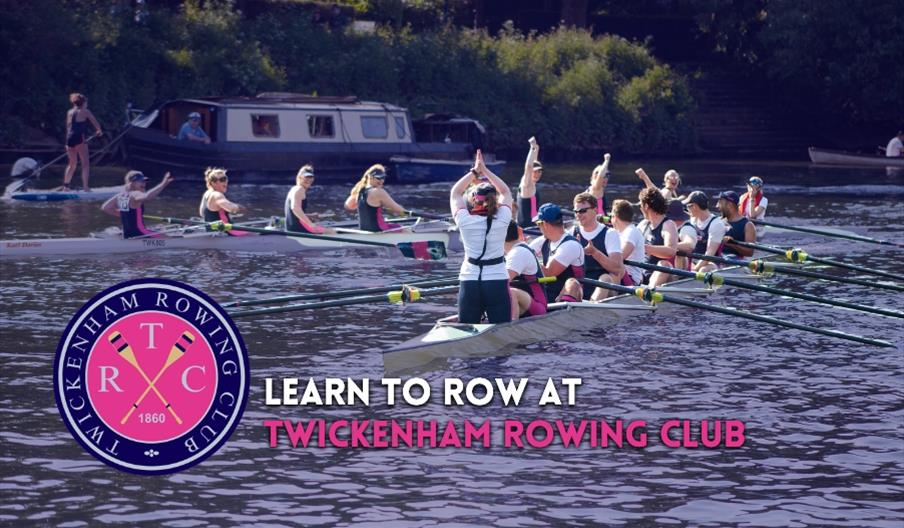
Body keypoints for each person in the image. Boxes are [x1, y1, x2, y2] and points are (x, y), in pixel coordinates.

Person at [450, 150, 513, 324]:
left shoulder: (464, 220)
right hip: (496, 281)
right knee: (501, 332)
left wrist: (475, 172)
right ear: (495, 200)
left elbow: (455, 193)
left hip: (469, 281)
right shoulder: (503, 217)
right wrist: (486, 171)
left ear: (473, 201)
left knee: (466, 330)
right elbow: (506, 192)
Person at [571, 192, 623, 300]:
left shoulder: (610, 234)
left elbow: (617, 269)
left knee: (605, 278)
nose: (578, 215)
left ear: (595, 210)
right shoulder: (572, 232)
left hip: (605, 288)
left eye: (582, 211)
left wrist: (595, 253)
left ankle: (591, 308)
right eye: (575, 211)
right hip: (580, 284)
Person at [528, 203, 585, 303]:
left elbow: (548, 273)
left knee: (571, 283)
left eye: (538, 224)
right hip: (549, 294)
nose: (538, 228)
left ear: (545, 224)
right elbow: (524, 254)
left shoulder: (570, 245)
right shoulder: (543, 240)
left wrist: (526, 258)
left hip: (569, 297)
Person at [101, 170, 173, 239]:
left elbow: (106, 208)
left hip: (127, 234)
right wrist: (163, 184)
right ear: (132, 183)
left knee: (157, 231)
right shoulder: (135, 194)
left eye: (144, 181)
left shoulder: (120, 196)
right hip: (140, 233)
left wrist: (126, 215)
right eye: (141, 181)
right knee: (168, 239)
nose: (144, 184)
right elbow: (147, 197)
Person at [344, 164, 407, 232]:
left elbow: (348, 206)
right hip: (379, 230)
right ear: (370, 177)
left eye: (383, 177)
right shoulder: (378, 192)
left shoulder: (359, 191)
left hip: (364, 230)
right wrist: (412, 215)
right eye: (379, 177)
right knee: (407, 230)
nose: (382, 180)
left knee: (394, 226)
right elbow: (400, 211)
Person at [504, 222, 547, 320]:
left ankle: (511, 327)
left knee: (510, 291)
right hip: (523, 305)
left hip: (536, 308)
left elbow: (501, 282)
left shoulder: (518, 252)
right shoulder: (511, 252)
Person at [637, 187, 678, 287]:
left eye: (640, 205)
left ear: (646, 206)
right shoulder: (643, 224)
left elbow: (671, 251)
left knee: (664, 264)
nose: (640, 208)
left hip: (661, 275)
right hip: (641, 272)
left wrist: (644, 247)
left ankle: (648, 295)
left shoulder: (668, 225)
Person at [63, 93, 102, 191]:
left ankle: (66, 187)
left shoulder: (69, 112)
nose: (87, 104)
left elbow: (68, 126)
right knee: (85, 164)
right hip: (79, 139)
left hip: (69, 139)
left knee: (72, 164)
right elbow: (96, 124)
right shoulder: (85, 111)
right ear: (83, 103)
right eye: (86, 102)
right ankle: (85, 187)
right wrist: (99, 131)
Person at [683, 191, 727, 272]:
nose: (687, 209)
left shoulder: (716, 224)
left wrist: (694, 270)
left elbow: (710, 254)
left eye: (688, 207)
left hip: (711, 262)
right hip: (693, 259)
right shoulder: (692, 220)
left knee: (703, 270)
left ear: (695, 206)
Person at [199, 168, 250, 236]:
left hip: (212, 232)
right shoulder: (217, 195)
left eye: (226, 178)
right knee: (254, 235)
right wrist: (240, 207)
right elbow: (231, 209)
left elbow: (202, 214)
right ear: (213, 183)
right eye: (222, 180)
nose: (225, 182)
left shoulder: (207, 193)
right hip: (223, 233)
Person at [285, 165, 334, 234]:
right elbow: (295, 208)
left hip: (292, 227)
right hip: (299, 229)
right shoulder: (299, 189)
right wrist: (310, 224)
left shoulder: (294, 189)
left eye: (310, 177)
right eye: (306, 177)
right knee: (332, 232)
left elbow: (294, 213)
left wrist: (310, 215)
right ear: (299, 177)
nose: (308, 179)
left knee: (328, 229)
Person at [609, 199, 646, 286]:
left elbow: (619, 258)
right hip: (620, 275)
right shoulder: (619, 233)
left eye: (611, 215)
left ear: (615, 217)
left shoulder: (631, 232)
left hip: (630, 279)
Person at [717, 190, 757, 257]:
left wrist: (733, 244)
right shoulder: (718, 221)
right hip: (716, 258)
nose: (717, 206)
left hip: (734, 261)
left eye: (720, 203)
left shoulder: (748, 225)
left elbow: (750, 252)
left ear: (729, 205)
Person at [516, 136, 543, 227]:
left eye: (539, 171)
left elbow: (533, 162)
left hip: (534, 225)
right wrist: (532, 148)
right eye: (535, 171)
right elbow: (528, 167)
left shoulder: (532, 183)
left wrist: (536, 149)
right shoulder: (526, 185)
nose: (538, 174)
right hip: (527, 229)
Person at [667, 199, 697, 272]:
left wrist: (667, 248)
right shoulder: (669, 227)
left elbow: (689, 245)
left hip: (677, 273)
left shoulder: (686, 229)